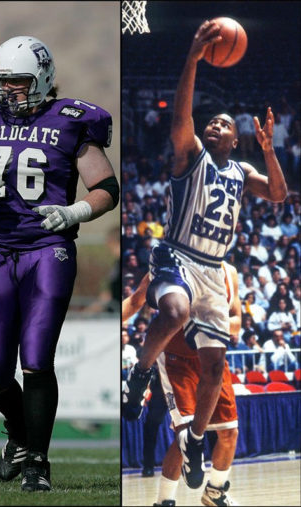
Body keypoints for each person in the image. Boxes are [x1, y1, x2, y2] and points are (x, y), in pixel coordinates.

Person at [0, 35, 118, 491]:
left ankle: (38, 463)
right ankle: (19, 434)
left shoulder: (73, 120)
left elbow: (106, 188)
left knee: (37, 358)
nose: (8, 91)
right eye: (2, 82)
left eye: (17, 81)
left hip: (48, 249)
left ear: (41, 78)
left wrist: (76, 212)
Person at [122, 18, 288, 491]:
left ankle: (195, 439)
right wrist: (192, 60)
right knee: (173, 309)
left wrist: (269, 149)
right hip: (177, 254)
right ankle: (138, 374)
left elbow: (278, 194)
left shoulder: (241, 170)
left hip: (214, 270)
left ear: (235, 139)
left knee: (216, 366)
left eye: (223, 123)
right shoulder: (187, 156)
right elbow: (181, 117)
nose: (214, 125)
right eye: (210, 122)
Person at [123, 264, 241, 507]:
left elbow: (237, 321)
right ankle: (164, 501)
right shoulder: (170, 264)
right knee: (184, 435)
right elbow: (136, 301)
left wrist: (203, 326)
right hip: (177, 359)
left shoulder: (230, 273)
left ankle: (215, 491)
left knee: (230, 432)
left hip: (213, 357)